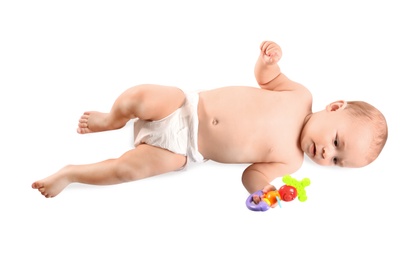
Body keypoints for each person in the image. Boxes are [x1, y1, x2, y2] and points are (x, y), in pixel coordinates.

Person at [31, 41, 388, 205]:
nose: (327, 153)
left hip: (184, 150)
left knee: (127, 171)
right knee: (139, 96)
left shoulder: (290, 162)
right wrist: (268, 61)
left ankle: (71, 173)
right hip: (185, 107)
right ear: (335, 106)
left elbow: (251, 175)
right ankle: (113, 119)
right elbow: (266, 79)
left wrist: (261, 192)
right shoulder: (299, 95)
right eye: (338, 142)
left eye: (337, 161)